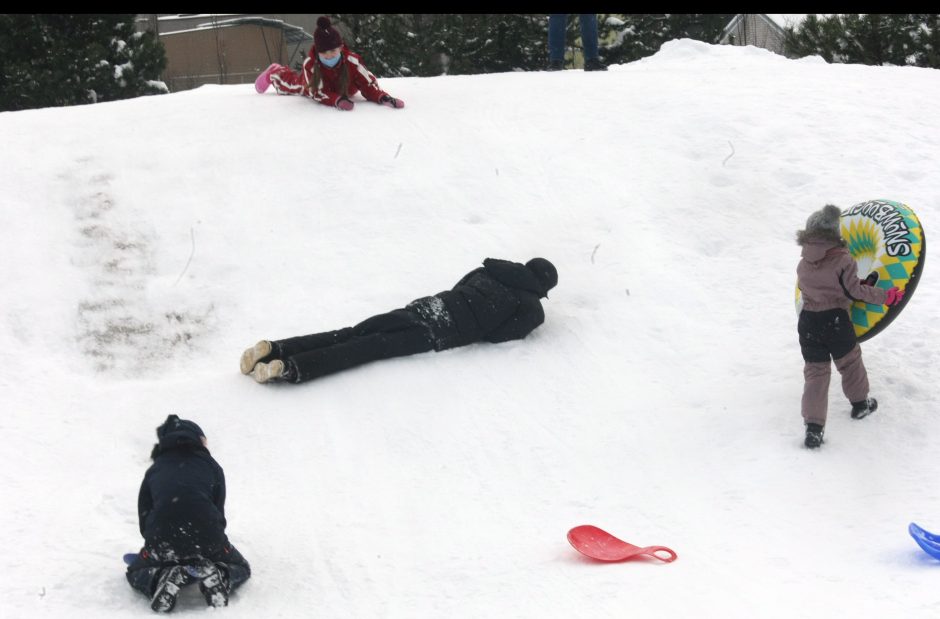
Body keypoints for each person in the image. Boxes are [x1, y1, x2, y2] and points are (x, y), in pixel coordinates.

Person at [240, 257, 558, 384]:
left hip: (426, 307)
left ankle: (274, 348)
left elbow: (461, 285)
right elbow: (499, 336)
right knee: (367, 348)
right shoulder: (530, 306)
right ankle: (290, 367)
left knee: (351, 332)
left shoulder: (491, 269)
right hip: (440, 332)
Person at [796, 204, 904, 448]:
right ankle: (860, 405)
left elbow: (810, 290)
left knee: (815, 373)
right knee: (849, 362)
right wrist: (885, 296)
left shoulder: (802, 263)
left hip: (808, 323)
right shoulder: (842, 259)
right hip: (834, 321)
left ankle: (813, 429)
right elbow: (853, 291)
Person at [126, 415, 251, 612]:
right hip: (208, 539)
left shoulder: (155, 469)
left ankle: (158, 578)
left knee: (135, 571)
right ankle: (219, 574)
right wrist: (213, 538)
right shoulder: (211, 466)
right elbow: (218, 508)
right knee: (241, 567)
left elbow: (144, 513)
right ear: (198, 440)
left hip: (162, 541)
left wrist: (153, 543)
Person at [254, 16, 404, 111]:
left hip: (344, 89)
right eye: (324, 53)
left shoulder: (352, 61)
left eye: (333, 51)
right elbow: (316, 92)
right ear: (318, 53)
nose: (329, 55)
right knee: (292, 85)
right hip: (314, 85)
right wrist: (336, 100)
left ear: (340, 47)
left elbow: (368, 85)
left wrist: (383, 97)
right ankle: (275, 72)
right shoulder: (311, 65)